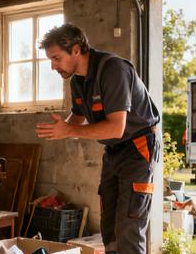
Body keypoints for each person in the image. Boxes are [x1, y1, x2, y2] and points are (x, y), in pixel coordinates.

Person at [35, 24, 160, 254]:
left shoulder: (113, 69)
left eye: (56, 58)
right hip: (113, 152)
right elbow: (79, 118)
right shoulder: (77, 81)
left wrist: (69, 131)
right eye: (51, 60)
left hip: (138, 148)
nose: (53, 66)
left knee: (129, 227)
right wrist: (62, 127)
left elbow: (116, 128)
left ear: (75, 50)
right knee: (109, 227)